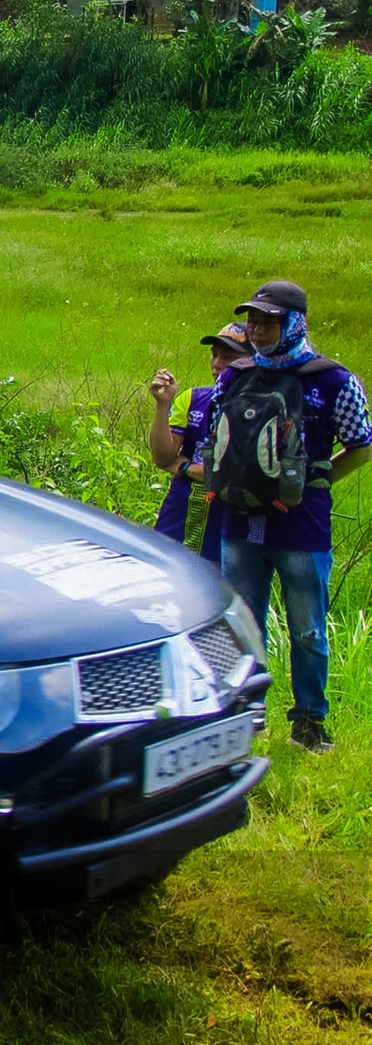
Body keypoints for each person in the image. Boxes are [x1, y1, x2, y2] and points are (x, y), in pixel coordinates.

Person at [207, 280, 372, 753]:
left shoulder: (334, 380)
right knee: (241, 624)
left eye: (268, 321)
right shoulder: (235, 376)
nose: (257, 330)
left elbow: (361, 445)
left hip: (303, 529)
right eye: (253, 320)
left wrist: (314, 483)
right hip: (239, 523)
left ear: (294, 322)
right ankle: (244, 715)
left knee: (307, 628)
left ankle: (309, 722)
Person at [147, 322, 250, 562]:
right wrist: (163, 405)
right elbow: (162, 457)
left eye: (228, 357)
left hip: (230, 520)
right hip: (180, 512)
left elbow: (234, 476)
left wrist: (184, 467)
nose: (217, 364)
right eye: (214, 355)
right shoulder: (193, 398)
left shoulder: (259, 409)